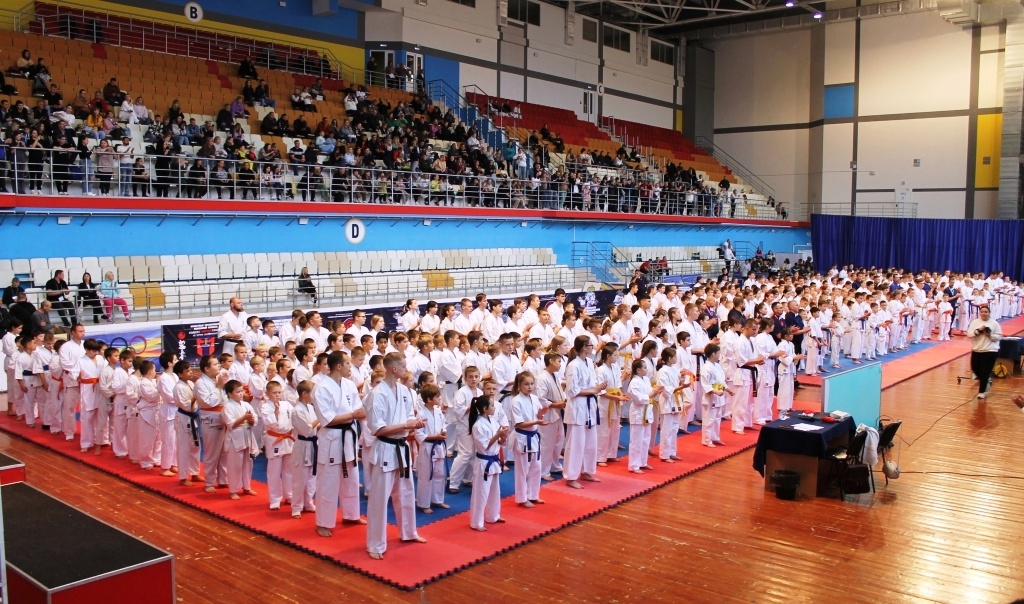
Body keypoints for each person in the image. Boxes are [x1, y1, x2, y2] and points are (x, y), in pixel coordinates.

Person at [366, 352, 427, 559]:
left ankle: (409, 532)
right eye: (403, 365)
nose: (406, 368)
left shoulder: (404, 391)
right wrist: (405, 425)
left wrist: (414, 424)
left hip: (402, 448)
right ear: (393, 369)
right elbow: (377, 429)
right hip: (385, 448)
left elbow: (410, 417)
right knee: (379, 499)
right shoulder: (377, 394)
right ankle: (375, 544)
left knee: (406, 493)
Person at [312, 351, 365, 536]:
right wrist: (352, 415)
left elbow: (358, 408)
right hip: (332, 438)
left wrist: (359, 414)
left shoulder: (349, 384)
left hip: (349, 436)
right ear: (339, 366)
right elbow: (326, 419)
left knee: (351, 478)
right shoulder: (321, 388)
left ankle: (351, 514)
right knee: (328, 482)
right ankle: (323, 522)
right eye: (348, 364)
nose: (351, 367)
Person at [563, 335, 606, 489]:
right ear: (582, 347)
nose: (592, 347)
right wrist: (592, 390)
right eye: (589, 345)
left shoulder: (589, 362)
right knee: (576, 443)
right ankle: (571, 475)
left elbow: (592, 384)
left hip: (590, 405)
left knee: (590, 441)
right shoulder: (573, 366)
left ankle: (586, 470)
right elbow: (572, 390)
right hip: (577, 406)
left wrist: (598, 388)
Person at [469, 394, 507, 531]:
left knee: (495, 490)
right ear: (485, 408)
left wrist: (503, 437)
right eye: (492, 405)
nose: (494, 407)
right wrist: (497, 435)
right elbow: (484, 446)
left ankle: (493, 516)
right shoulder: (478, 425)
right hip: (484, 462)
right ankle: (476, 522)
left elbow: (499, 442)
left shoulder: (493, 421)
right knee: (481, 492)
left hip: (494, 460)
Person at [510, 371, 545, 507]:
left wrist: (541, 415)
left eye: (531, 384)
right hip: (522, 438)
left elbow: (537, 416)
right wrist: (536, 422)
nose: (530, 387)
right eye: (526, 384)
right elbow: (518, 423)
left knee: (536, 467)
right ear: (519, 385)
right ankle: (522, 498)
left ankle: (533, 495)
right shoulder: (515, 401)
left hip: (534, 436)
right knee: (522, 469)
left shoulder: (534, 398)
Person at [195, 355, 229, 492]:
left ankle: (223, 479)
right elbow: (208, 402)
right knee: (212, 452)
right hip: (210, 418)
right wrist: (219, 387)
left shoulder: (216, 379)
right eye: (215, 364)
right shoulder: (200, 383)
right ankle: (209, 482)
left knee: (224, 451)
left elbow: (224, 400)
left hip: (222, 417)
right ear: (206, 369)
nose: (219, 366)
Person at [222, 379, 259, 500]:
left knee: (248, 463)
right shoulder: (227, 407)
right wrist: (244, 418)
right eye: (237, 391)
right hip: (235, 437)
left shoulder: (246, 405)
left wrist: (252, 420)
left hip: (247, 435)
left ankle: (247, 487)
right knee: (235, 465)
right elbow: (230, 424)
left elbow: (255, 419)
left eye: (241, 391)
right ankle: (233, 490)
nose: (241, 393)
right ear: (229, 394)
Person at [414, 384, 449, 514]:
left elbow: (443, 424)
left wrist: (443, 432)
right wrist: (435, 436)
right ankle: (423, 503)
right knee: (426, 475)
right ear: (429, 399)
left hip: (439, 446)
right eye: (437, 396)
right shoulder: (421, 414)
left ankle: (438, 500)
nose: (439, 398)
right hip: (427, 447)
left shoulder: (438, 411)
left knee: (440, 473)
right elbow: (419, 434)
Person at [262, 381, 294, 510]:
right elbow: (271, 424)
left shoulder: (286, 404)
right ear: (268, 393)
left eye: (279, 392)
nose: (277, 395)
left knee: (289, 470)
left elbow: (294, 417)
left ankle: (290, 494)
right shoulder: (265, 407)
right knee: (274, 471)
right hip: (275, 439)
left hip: (288, 438)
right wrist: (275, 411)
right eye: (274, 393)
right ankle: (275, 498)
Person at [291, 379, 319, 518]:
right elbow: (306, 430)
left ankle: (308, 502)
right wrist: (320, 418)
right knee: (300, 478)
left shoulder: (310, 407)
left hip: (313, 444)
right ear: (304, 394)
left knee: (312, 477)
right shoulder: (297, 411)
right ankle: (296, 507)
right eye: (312, 393)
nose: (314, 396)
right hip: (302, 445)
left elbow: (315, 428)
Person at [172, 360, 201, 486]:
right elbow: (186, 406)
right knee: (184, 448)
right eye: (187, 371)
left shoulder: (190, 383)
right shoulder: (178, 387)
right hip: (184, 418)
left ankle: (195, 473)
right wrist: (196, 395)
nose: (191, 372)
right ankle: (183, 477)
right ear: (180, 374)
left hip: (193, 418)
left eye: (190, 369)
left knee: (196, 446)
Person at [967, 305, 1002, 399]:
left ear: (989, 313)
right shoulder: (975, 322)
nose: (984, 313)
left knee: (985, 370)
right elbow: (969, 334)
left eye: (986, 312)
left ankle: (981, 391)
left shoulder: (994, 323)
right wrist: (978, 331)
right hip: (977, 349)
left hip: (990, 350)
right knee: (975, 368)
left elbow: (999, 336)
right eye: (982, 311)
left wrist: (989, 335)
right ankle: (985, 381)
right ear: (980, 312)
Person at [699, 344, 729, 447]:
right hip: (711, 397)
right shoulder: (706, 368)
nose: (719, 355)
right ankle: (707, 440)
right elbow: (705, 384)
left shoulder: (717, 365)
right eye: (718, 353)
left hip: (719, 395)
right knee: (709, 419)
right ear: (713, 354)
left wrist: (728, 390)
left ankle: (715, 437)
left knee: (717, 419)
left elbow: (721, 381)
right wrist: (715, 391)